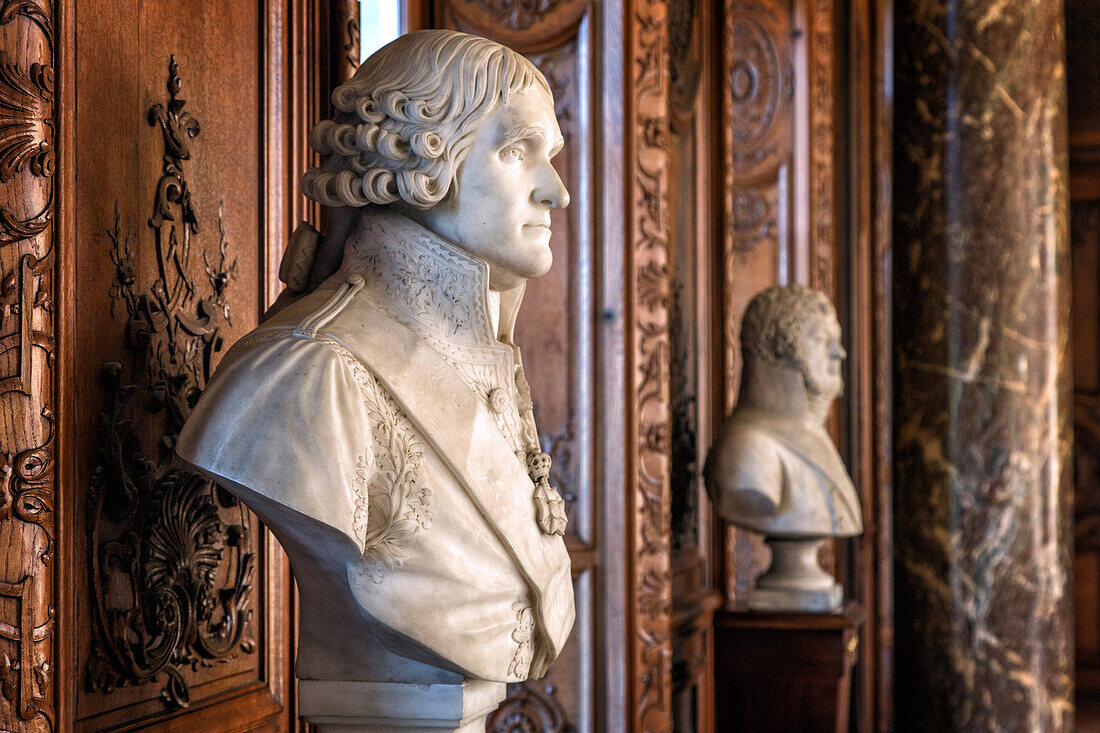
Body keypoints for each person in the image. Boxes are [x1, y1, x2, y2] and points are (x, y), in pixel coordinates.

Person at [175, 30, 574, 687]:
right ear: (424, 161)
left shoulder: (491, 350)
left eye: (549, 156)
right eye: (517, 151)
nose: (555, 192)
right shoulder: (305, 373)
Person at [704, 284, 862, 539]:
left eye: (836, 340)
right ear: (780, 347)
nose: (839, 353)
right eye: (821, 339)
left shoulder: (814, 435)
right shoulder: (747, 448)